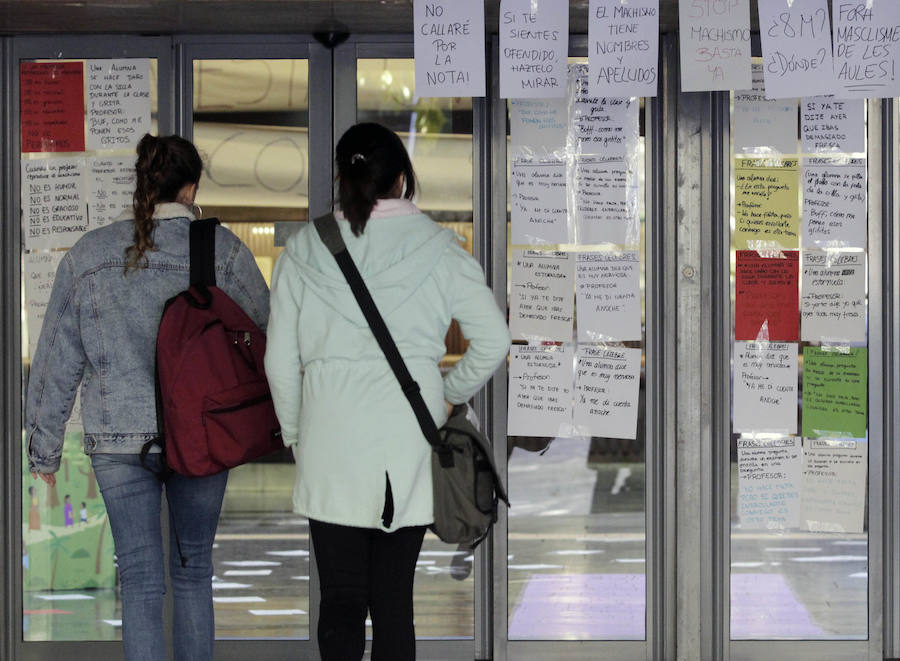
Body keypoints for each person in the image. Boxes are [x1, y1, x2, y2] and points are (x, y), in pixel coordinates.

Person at [265, 122, 510, 660]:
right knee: (394, 603)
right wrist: (449, 395)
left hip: (330, 443)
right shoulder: (440, 250)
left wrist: (296, 435)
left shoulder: (305, 250)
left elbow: (280, 362)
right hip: (409, 443)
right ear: (402, 179)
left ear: (341, 178)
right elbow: (494, 339)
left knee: (341, 603)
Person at [26, 133, 269, 661]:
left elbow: (54, 359)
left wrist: (44, 449)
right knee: (193, 572)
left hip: (117, 439)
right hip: (203, 437)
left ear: (140, 185)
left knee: (138, 579)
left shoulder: (89, 256)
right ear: (191, 189)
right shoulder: (221, 251)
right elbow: (267, 335)